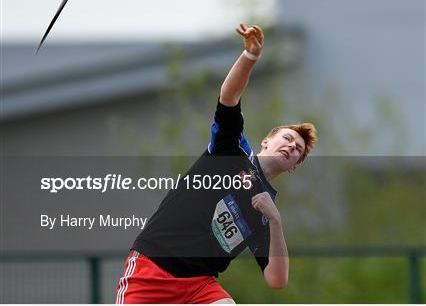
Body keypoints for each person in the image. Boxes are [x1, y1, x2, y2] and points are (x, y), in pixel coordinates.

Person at [116, 23, 317, 304]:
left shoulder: (264, 209)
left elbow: (276, 279)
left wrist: (275, 220)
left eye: (297, 150)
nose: (291, 147)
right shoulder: (230, 149)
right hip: (153, 269)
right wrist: (250, 57)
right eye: (287, 138)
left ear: (294, 165)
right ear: (266, 141)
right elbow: (228, 97)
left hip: (199, 287)